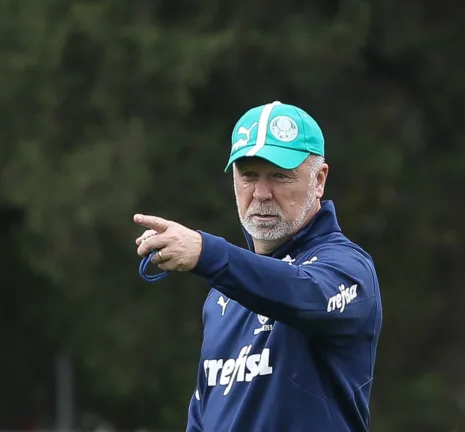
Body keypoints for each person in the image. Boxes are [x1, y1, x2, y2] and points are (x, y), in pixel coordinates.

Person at [134, 101, 383, 432]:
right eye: (249, 175)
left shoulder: (349, 268)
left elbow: (303, 292)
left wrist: (207, 253)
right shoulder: (221, 297)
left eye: (280, 176)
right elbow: (205, 416)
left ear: (319, 180)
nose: (261, 193)